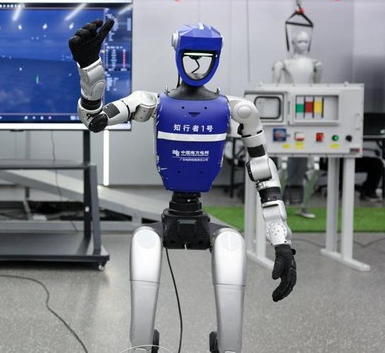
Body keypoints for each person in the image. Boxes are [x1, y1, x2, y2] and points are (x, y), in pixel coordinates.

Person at [70, 20, 296, 352]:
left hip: (204, 218)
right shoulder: (151, 102)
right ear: (178, 53)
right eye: (191, 55)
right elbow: (95, 120)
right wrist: (90, 70)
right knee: (144, 247)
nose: (197, 64)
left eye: (205, 56)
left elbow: (263, 171)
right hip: (169, 217)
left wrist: (282, 242)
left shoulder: (238, 110)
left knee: (232, 250)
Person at [272, 29, 322, 218]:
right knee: (283, 166)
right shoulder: (282, 65)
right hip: (287, 117)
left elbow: (317, 91)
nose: (302, 44)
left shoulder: (316, 65)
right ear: (293, 43)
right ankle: (279, 206)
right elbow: (274, 94)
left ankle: (304, 205)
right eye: (299, 41)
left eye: (305, 41)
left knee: (315, 167)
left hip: (308, 116)